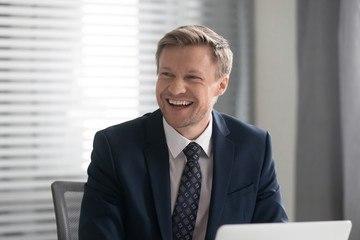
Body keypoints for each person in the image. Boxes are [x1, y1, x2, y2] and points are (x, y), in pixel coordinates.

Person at [79, 25, 288, 240]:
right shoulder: (115, 148)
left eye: (192, 77)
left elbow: (274, 232)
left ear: (221, 85)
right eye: (167, 74)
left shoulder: (254, 146)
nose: (176, 89)